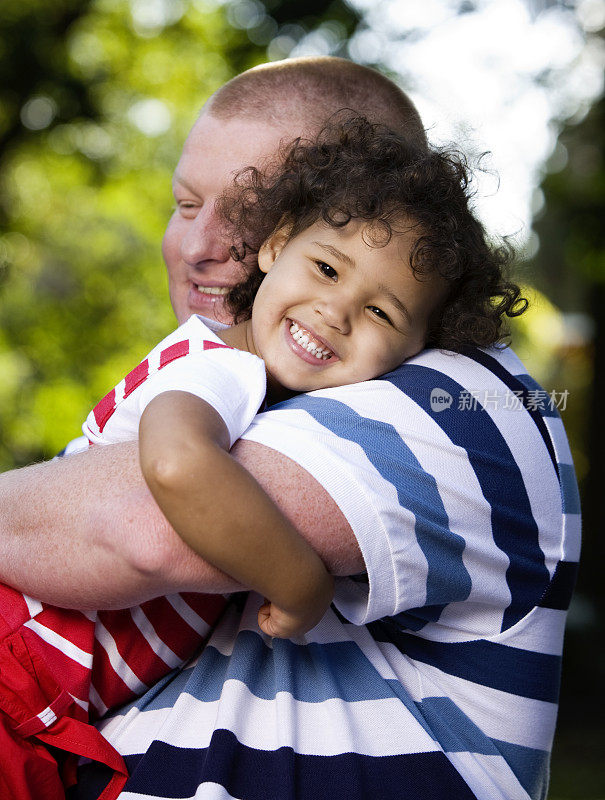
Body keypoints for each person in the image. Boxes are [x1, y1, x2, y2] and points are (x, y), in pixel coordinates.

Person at [0, 58, 579, 800]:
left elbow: (132, 528)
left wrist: (294, 584)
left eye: (242, 206)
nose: (199, 245)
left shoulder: (465, 397)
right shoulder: (233, 373)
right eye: (184, 204)